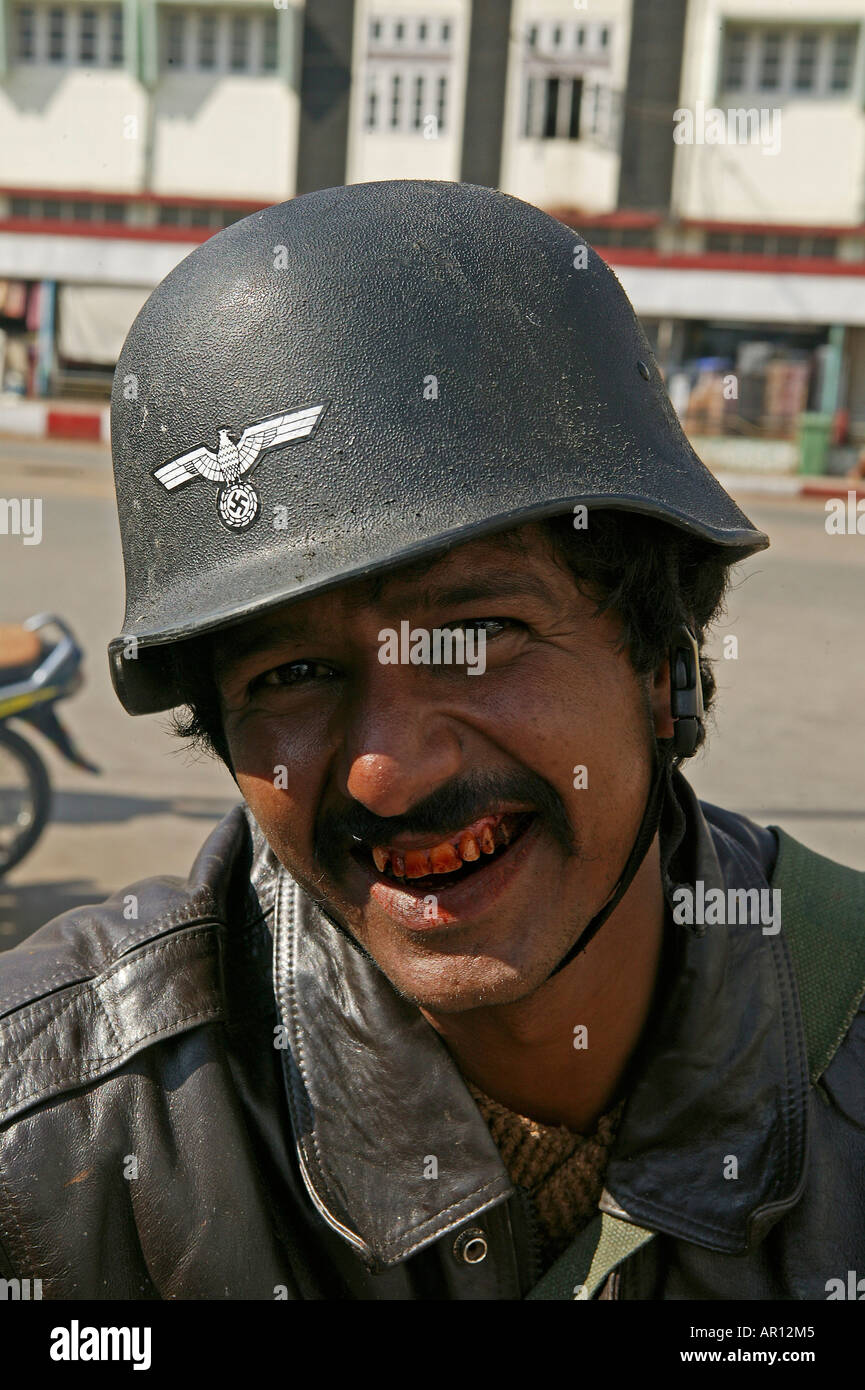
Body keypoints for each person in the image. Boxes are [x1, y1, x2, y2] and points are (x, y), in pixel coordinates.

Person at [0, 180, 863, 1301]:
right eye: (291, 675)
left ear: (662, 668)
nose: (390, 771)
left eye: (475, 636)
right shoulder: (57, 1134)